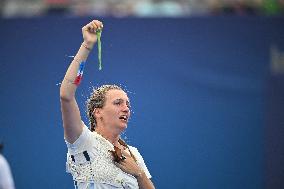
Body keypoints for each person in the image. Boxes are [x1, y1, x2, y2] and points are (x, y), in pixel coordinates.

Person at [60, 20, 155, 189]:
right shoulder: (83, 142)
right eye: (118, 103)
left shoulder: (133, 153)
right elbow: (66, 95)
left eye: (127, 104)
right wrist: (87, 45)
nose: (126, 108)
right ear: (98, 112)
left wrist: (139, 173)